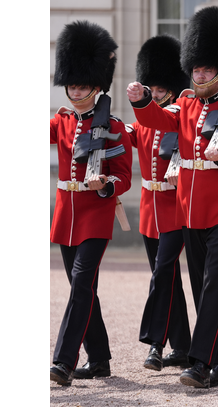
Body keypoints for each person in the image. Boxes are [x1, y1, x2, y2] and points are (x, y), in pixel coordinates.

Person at [127, 5, 218, 388]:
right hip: (191, 208)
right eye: (196, 69)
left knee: (215, 280)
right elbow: (159, 121)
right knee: (204, 286)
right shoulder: (186, 104)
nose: (199, 75)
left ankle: (200, 361)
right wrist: (141, 102)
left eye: (205, 69)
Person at [50, 20, 132, 386]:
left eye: (83, 86)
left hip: (96, 215)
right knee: (83, 290)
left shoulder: (113, 125)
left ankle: (64, 361)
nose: (76, 91)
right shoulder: (64, 121)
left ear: (96, 87)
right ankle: (99, 360)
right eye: (72, 85)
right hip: (66, 215)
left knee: (82, 286)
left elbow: (125, 176)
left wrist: (105, 184)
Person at [127, 34, 192, 372]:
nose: (156, 91)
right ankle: (182, 346)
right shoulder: (144, 120)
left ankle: (155, 343)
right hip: (149, 209)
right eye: (152, 86)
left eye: (160, 87)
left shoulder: (180, 118)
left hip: (176, 208)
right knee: (166, 276)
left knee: (163, 272)